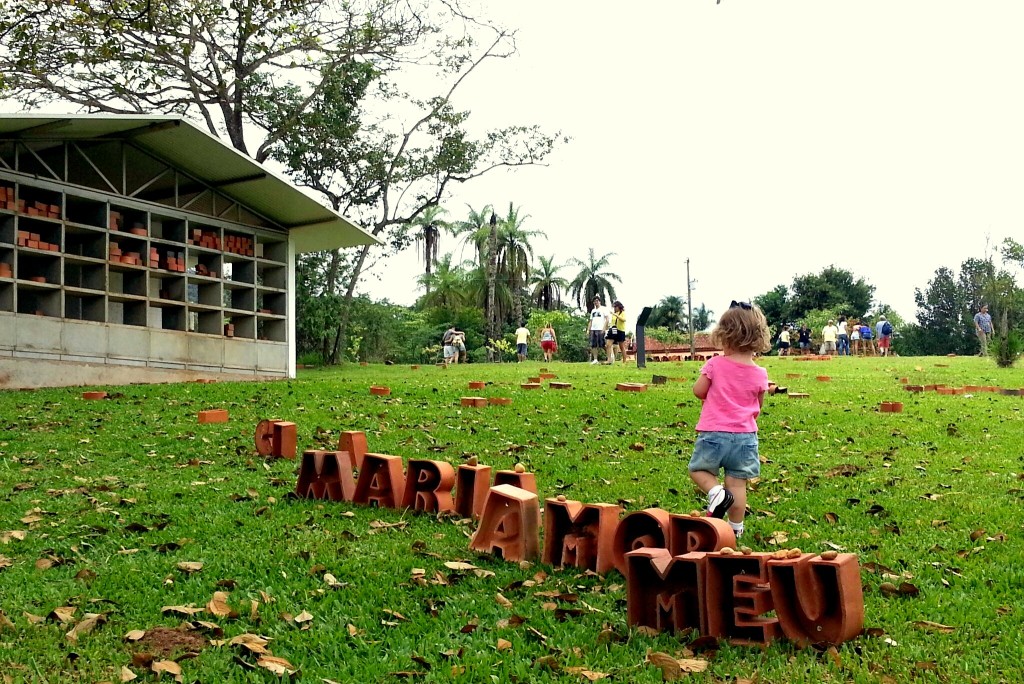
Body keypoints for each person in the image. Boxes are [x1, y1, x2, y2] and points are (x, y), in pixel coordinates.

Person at [688, 300, 771, 540]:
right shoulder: (760, 373)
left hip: (714, 433)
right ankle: (735, 529)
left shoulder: (715, 364)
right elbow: (758, 405)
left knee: (699, 470)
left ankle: (715, 492)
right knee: (737, 484)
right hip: (746, 438)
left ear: (725, 336)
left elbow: (698, 390)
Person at [587, 296, 610, 364]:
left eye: (597, 301)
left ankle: (609, 357)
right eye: (594, 301)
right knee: (593, 345)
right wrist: (588, 329)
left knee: (602, 345)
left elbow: (607, 319)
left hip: (600, 329)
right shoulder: (593, 311)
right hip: (593, 329)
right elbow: (591, 321)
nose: (596, 302)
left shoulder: (603, 309)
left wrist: (604, 328)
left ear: (599, 301)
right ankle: (595, 359)